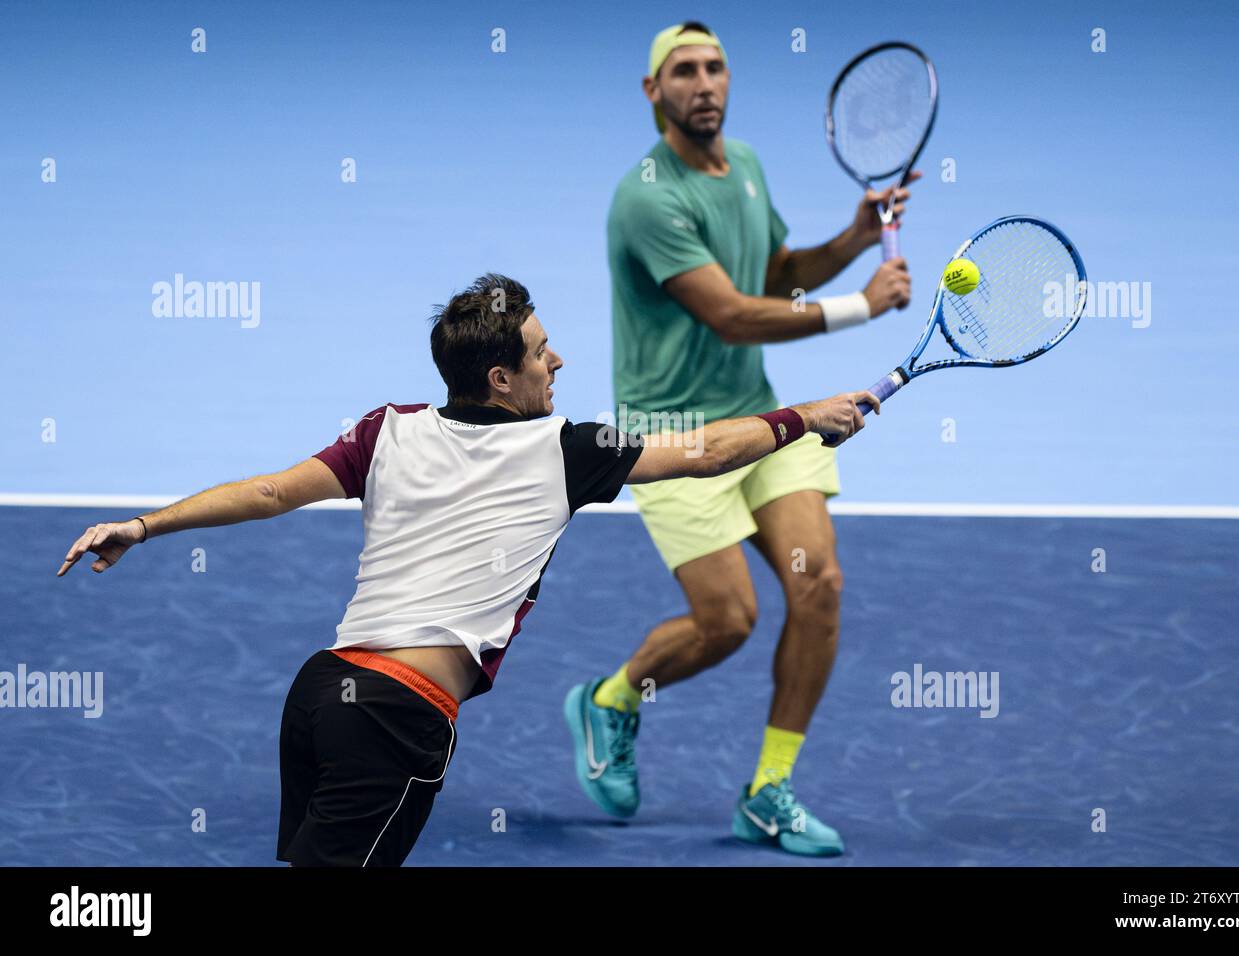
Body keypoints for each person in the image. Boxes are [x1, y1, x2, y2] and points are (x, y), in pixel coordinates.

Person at [56, 273, 877, 867]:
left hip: (320, 695)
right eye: (541, 354)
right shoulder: (566, 450)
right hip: (395, 720)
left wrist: (143, 524)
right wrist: (804, 416)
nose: (556, 364)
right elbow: (709, 453)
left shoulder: (388, 431)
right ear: (500, 379)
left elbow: (270, 492)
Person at [563, 22, 918, 857]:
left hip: (759, 419)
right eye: (683, 71)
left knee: (820, 587)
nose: (704, 84)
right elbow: (728, 315)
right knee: (727, 621)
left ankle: (768, 790)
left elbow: (773, 277)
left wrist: (854, 241)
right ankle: (613, 699)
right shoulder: (646, 197)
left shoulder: (747, 167)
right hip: (671, 438)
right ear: (653, 93)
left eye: (715, 68)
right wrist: (864, 305)